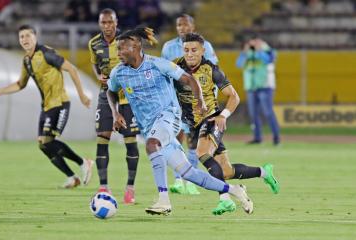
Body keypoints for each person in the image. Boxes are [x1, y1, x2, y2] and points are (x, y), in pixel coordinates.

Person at [107, 27, 253, 216]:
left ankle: (163, 200)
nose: (118, 53)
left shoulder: (158, 65)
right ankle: (234, 191)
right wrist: (115, 113)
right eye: (117, 49)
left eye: (122, 48)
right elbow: (110, 91)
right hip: (149, 126)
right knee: (188, 173)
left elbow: (190, 80)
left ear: (136, 47)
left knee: (152, 145)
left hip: (169, 117)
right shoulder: (119, 72)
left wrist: (200, 100)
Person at [175, 33, 280, 215]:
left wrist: (223, 115)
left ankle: (225, 200)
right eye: (186, 50)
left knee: (202, 153)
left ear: (203, 51)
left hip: (212, 119)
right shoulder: (175, 67)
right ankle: (264, 172)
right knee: (226, 171)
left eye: (194, 50)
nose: (190, 54)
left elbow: (234, 96)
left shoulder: (211, 69)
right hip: (193, 124)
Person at [0, 25, 93, 189]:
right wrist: (0, 91)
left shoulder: (46, 53)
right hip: (46, 106)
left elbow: (71, 69)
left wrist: (81, 95)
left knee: (48, 142)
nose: (25, 39)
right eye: (22, 37)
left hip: (60, 103)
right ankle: (72, 178)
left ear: (35, 37)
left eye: (28, 35)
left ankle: (83, 162)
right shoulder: (26, 60)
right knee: (43, 144)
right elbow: (20, 84)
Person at [161, 13, 218, 195]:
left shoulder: (205, 46)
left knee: (194, 143)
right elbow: (165, 73)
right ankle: (178, 179)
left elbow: (213, 71)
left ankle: (190, 179)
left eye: (185, 25)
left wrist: (210, 99)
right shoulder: (168, 47)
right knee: (176, 138)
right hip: (177, 101)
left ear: (192, 27)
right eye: (179, 25)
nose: (182, 28)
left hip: (198, 104)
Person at [88, 8, 140, 204]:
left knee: (130, 140)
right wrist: (97, 76)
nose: (107, 26)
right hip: (105, 94)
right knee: (102, 139)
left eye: (110, 22)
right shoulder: (93, 43)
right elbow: (94, 63)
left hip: (127, 95)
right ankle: (103, 187)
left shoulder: (127, 40)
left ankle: (130, 188)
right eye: (103, 23)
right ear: (100, 24)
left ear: (116, 22)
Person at [236, 37, 280, 145]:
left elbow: (268, 60)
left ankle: (276, 138)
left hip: (265, 86)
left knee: (268, 112)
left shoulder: (268, 51)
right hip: (251, 87)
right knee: (253, 114)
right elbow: (239, 64)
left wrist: (259, 49)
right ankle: (257, 137)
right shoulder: (248, 53)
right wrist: (244, 52)